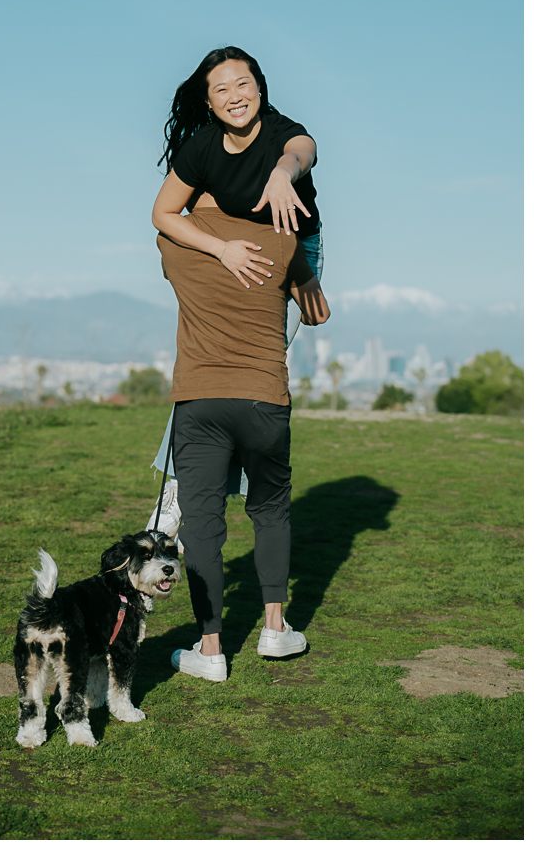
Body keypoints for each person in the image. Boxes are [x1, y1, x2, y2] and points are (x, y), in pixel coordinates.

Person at [148, 46, 323, 531]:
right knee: (211, 370)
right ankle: (183, 492)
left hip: (295, 253)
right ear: (208, 102)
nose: (234, 95)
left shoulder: (284, 134)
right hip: (239, 252)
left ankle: (239, 495)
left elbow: (302, 151)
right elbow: (163, 215)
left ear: (260, 88)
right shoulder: (202, 147)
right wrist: (221, 249)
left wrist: (284, 173)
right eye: (220, 89)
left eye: (242, 84)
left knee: (252, 381)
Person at [154, 204, 330, 680]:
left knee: (204, 525)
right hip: (264, 401)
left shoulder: (174, 242)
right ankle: (275, 629)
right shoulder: (280, 241)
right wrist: (300, 268)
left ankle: (210, 650)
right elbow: (317, 313)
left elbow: (170, 231)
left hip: (200, 399)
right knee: (271, 511)